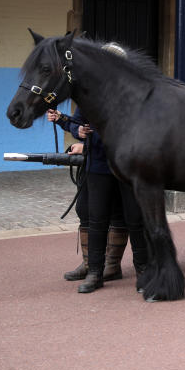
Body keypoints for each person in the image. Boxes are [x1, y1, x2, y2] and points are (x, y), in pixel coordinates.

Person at [49, 107, 148, 294]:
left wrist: (86, 145)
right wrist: (76, 130)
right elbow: (77, 124)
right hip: (99, 167)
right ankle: (95, 273)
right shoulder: (91, 95)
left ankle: (143, 272)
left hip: (130, 165)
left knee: (135, 219)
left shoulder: (130, 92)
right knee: (97, 219)